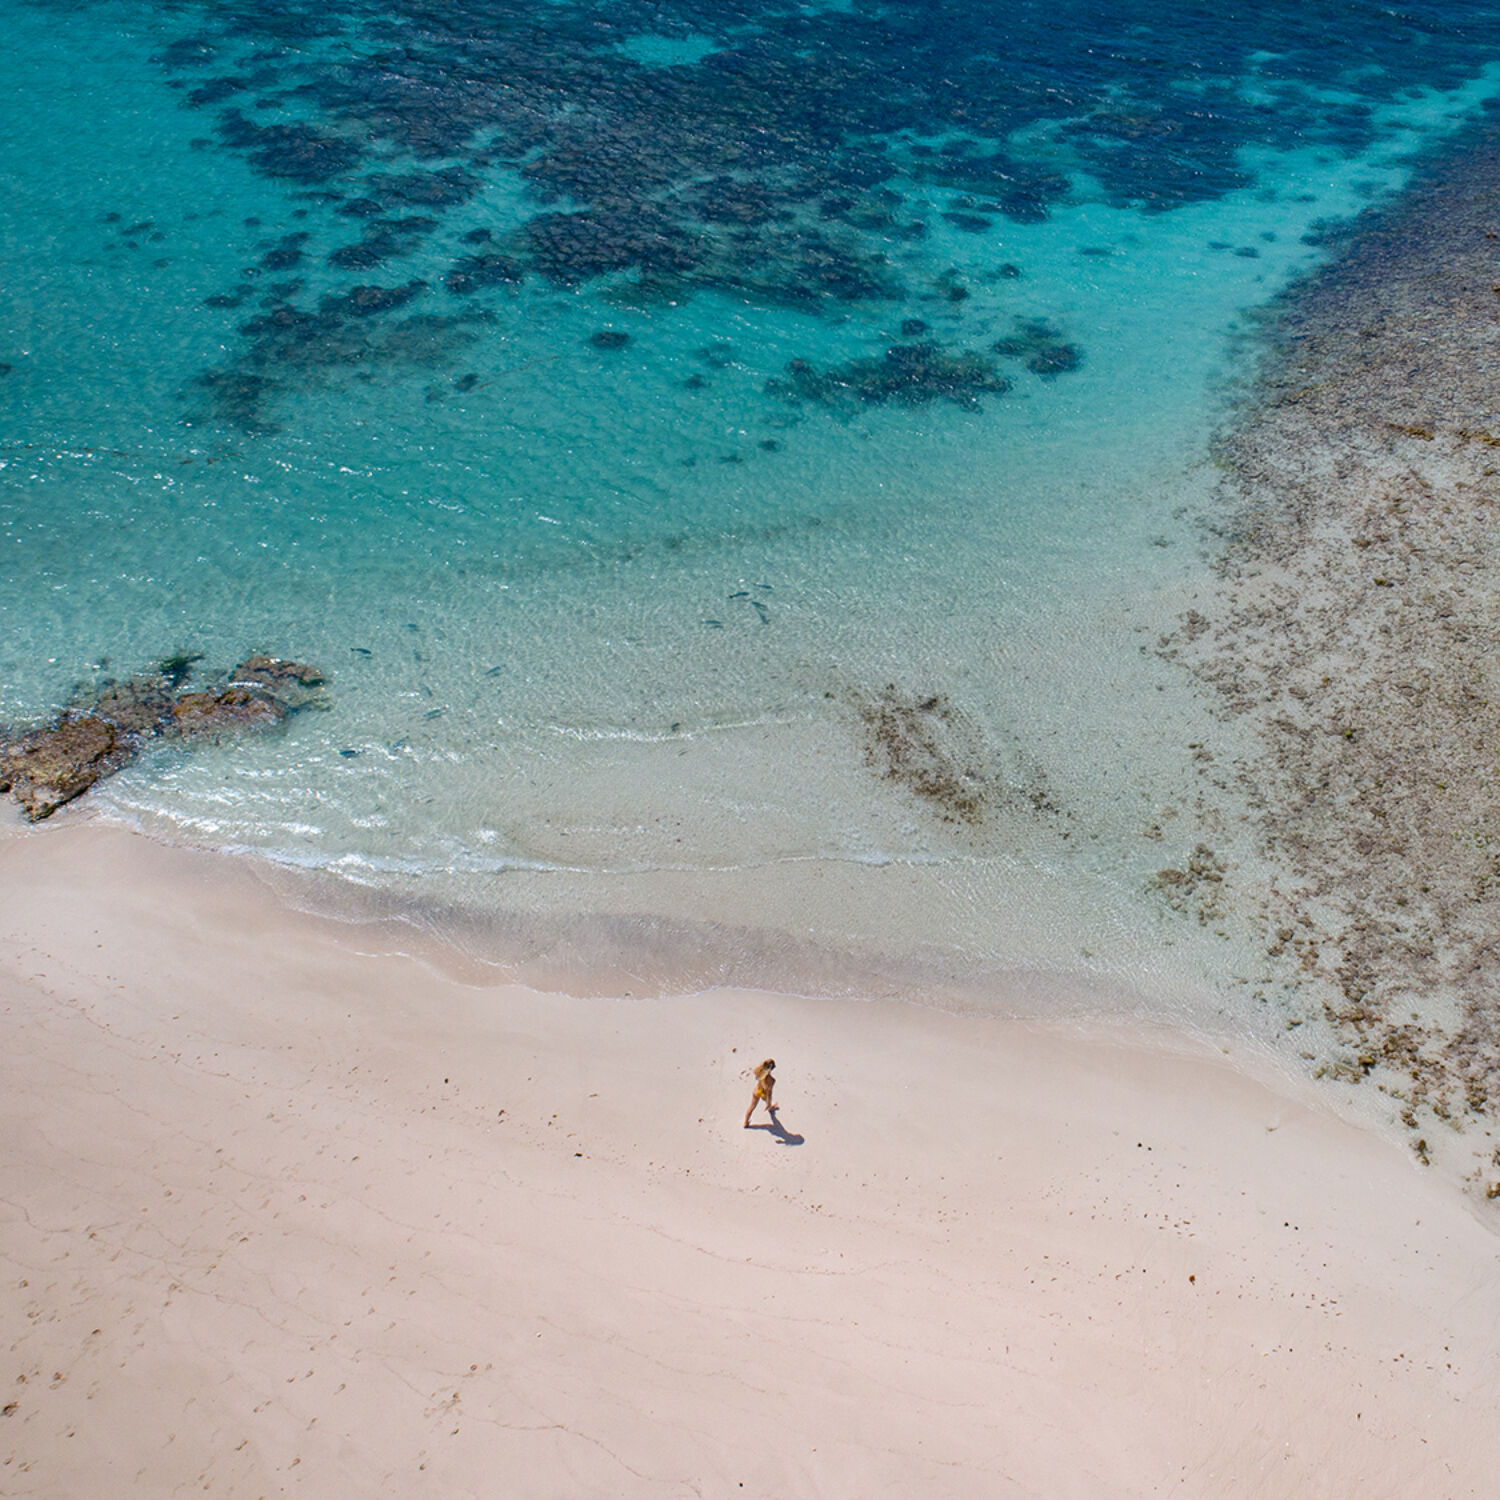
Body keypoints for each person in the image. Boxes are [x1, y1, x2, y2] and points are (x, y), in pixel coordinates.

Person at [744, 1058, 778, 1128]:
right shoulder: (771, 1080)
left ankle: (746, 1122)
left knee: (752, 1107)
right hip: (764, 1094)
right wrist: (768, 1104)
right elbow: (769, 1094)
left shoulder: (759, 1072)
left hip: (757, 1091)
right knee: (768, 1102)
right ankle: (770, 1108)